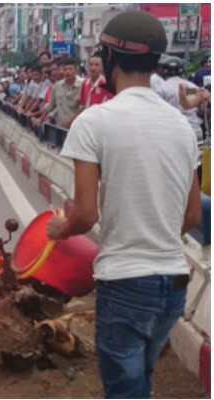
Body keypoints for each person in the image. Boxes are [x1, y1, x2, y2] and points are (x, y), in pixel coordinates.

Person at [46, 11, 201, 399]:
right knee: (140, 382)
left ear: (111, 59)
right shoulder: (182, 127)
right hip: (174, 285)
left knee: (124, 390)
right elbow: (193, 215)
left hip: (125, 283)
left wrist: (59, 229)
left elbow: (84, 215)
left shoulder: (95, 121)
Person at [155, 57, 204, 141]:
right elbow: (201, 111)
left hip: (176, 132)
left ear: (164, 71)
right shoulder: (191, 87)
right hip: (196, 130)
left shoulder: (162, 89)